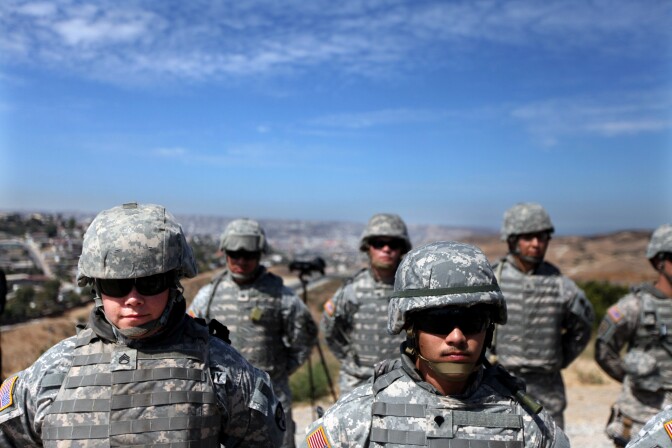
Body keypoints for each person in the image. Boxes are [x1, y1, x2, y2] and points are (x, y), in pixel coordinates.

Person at [0, 203, 285, 447]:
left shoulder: (221, 370)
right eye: (117, 285)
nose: (133, 299)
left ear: (173, 285)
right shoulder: (52, 372)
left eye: (150, 283)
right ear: (96, 288)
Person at [301, 241, 569, 448]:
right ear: (410, 327)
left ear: (489, 329)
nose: (456, 337)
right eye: (439, 321)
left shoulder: (527, 421)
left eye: (472, 320)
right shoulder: (357, 416)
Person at [187, 218, 317, 448]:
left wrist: (280, 371)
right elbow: (191, 337)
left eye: (249, 254)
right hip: (223, 401)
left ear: (260, 254)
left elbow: (304, 336)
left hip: (272, 397)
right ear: (225, 253)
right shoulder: (209, 295)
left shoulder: (280, 295)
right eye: (235, 254)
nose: (241, 261)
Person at [490, 202, 594, 429]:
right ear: (512, 240)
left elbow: (583, 327)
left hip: (547, 386)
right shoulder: (492, 279)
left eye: (542, 237)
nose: (536, 244)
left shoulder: (560, 285)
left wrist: (559, 357)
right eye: (528, 237)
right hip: (498, 381)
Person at [596, 223, 672, 447]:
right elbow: (604, 349)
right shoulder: (634, 306)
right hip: (641, 417)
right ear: (659, 261)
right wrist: (635, 377)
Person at [321, 213, 411, 394]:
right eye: (379, 243)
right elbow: (330, 330)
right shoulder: (352, 290)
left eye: (393, 244)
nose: (386, 249)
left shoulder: (413, 289)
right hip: (358, 382)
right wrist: (350, 359)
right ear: (368, 247)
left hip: (405, 382)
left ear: (401, 248)